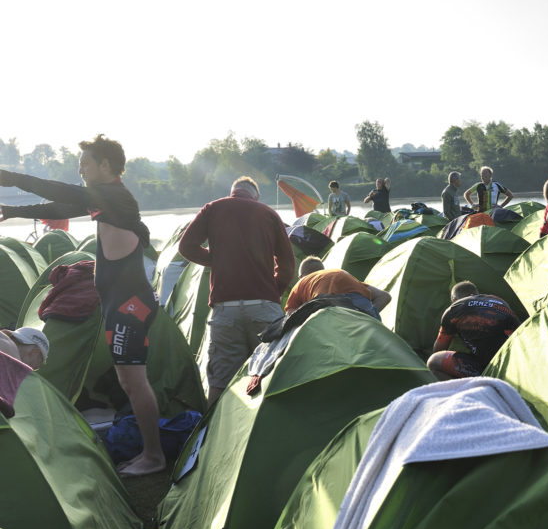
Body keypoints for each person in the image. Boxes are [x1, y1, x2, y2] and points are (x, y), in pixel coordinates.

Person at [0, 134, 165, 476]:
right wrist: (13, 211)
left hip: (130, 305)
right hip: (120, 303)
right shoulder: (106, 199)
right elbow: (61, 208)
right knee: (129, 381)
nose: (80, 169)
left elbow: (59, 191)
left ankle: (154, 456)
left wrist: (12, 178)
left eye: (85, 163)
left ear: (105, 165)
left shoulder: (115, 196)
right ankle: (149, 452)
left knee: (134, 382)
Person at [179, 176, 295, 406]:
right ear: (256, 196)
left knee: (220, 381)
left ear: (232, 192)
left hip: (225, 308)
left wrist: (216, 260)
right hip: (264, 306)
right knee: (273, 376)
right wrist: (276, 290)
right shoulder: (268, 213)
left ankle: (211, 428)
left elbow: (186, 246)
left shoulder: (212, 209)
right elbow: (287, 264)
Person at [427, 281, 520, 380]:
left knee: (433, 361)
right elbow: (518, 333)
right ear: (477, 293)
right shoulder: (499, 301)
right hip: (512, 364)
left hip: (485, 367)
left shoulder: (454, 309)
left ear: (454, 300)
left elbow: (440, 346)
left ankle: (469, 388)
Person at [285, 256, 392, 318]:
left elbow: (290, 314)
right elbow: (384, 296)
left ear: (300, 277)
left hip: (328, 307)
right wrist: (367, 315)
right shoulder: (338, 273)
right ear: (323, 270)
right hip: (361, 305)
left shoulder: (301, 283)